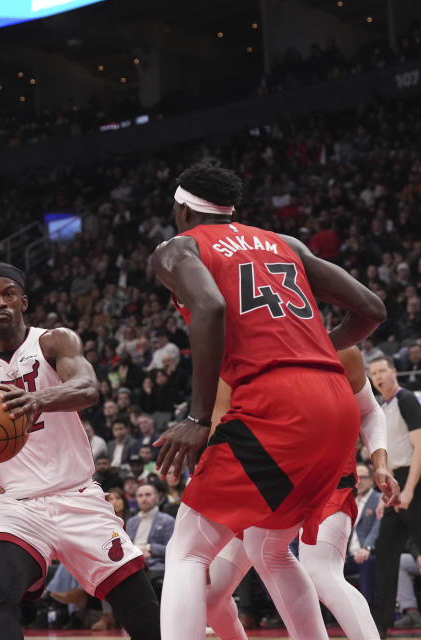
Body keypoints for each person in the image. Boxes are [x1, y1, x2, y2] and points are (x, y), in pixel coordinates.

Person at [151, 162, 386, 640]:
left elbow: (212, 306)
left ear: (180, 208)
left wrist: (197, 416)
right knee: (273, 551)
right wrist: (321, 344)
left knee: (187, 551)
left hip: (277, 404)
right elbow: (372, 309)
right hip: (335, 403)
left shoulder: (178, 247)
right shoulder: (286, 243)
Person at [0, 262, 161, 640]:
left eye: (8, 294)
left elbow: (87, 387)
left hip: (77, 496)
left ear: (23, 301)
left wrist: (35, 400)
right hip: (17, 505)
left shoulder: (54, 341)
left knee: (139, 608)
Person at [204, 346, 400, 640]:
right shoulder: (243, 356)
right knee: (211, 596)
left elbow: (370, 409)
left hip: (328, 479)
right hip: (266, 484)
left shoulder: (339, 348)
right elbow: (220, 423)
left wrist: (380, 461)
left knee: (321, 571)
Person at [367, 355, 421, 636]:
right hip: (393, 487)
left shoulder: (407, 399)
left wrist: (410, 488)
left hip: (414, 481)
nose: (378, 377)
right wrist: (381, 495)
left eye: (382, 371)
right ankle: (379, 627)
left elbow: (419, 447)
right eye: (373, 373)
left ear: (394, 371)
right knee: (385, 556)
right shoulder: (382, 409)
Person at [124, 482, 175, 596]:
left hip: (155, 566)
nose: (144, 499)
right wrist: (137, 552)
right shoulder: (131, 522)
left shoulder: (168, 521)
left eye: (148, 495)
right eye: (140, 496)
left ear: (157, 497)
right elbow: (125, 547)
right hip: (133, 564)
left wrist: (149, 548)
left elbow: (172, 550)